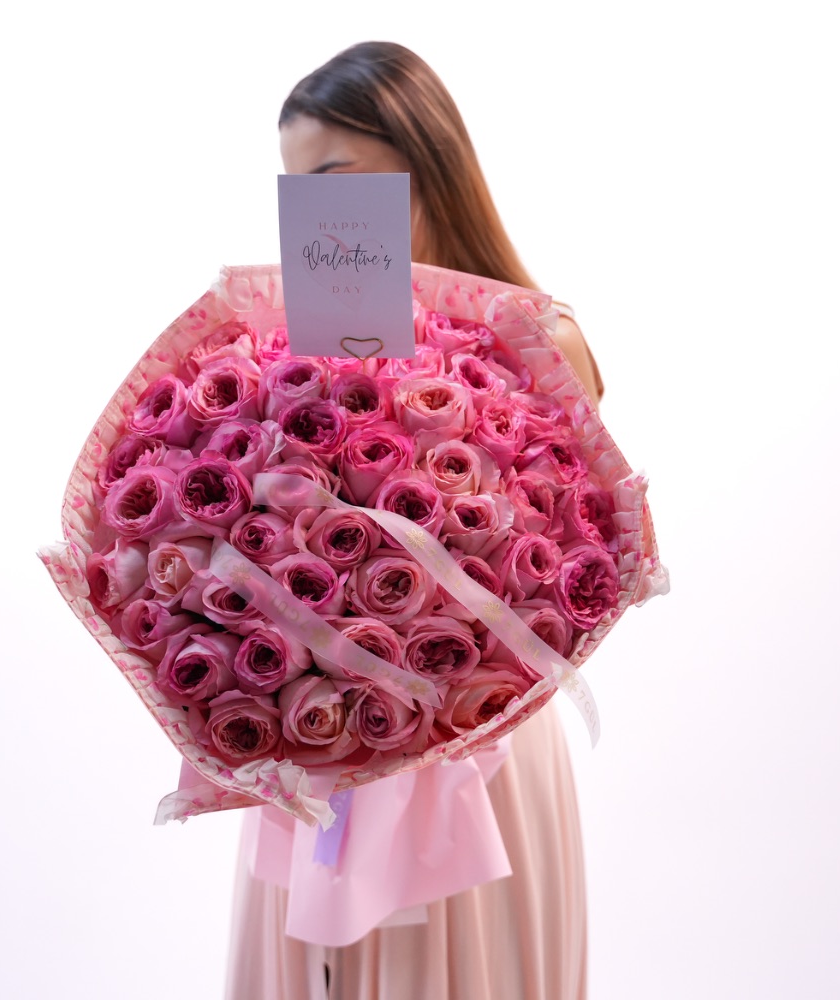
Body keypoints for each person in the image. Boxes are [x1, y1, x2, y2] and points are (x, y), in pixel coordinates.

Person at [225, 41, 602, 1000]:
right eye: (293, 188)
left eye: (333, 178)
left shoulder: (542, 337)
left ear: (423, 164)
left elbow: (586, 561)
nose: (313, 213)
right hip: (323, 740)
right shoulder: (277, 357)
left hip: (481, 748)